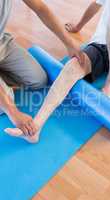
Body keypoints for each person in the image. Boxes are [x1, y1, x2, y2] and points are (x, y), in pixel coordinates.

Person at [5, 0, 110, 143]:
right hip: (100, 46)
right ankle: (36, 127)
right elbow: (95, 5)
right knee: (73, 65)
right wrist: (78, 27)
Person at [0, 0, 84, 137]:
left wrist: (69, 43)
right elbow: (10, 110)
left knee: (39, 80)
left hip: (1, 43)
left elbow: (40, 8)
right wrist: (13, 112)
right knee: (4, 106)